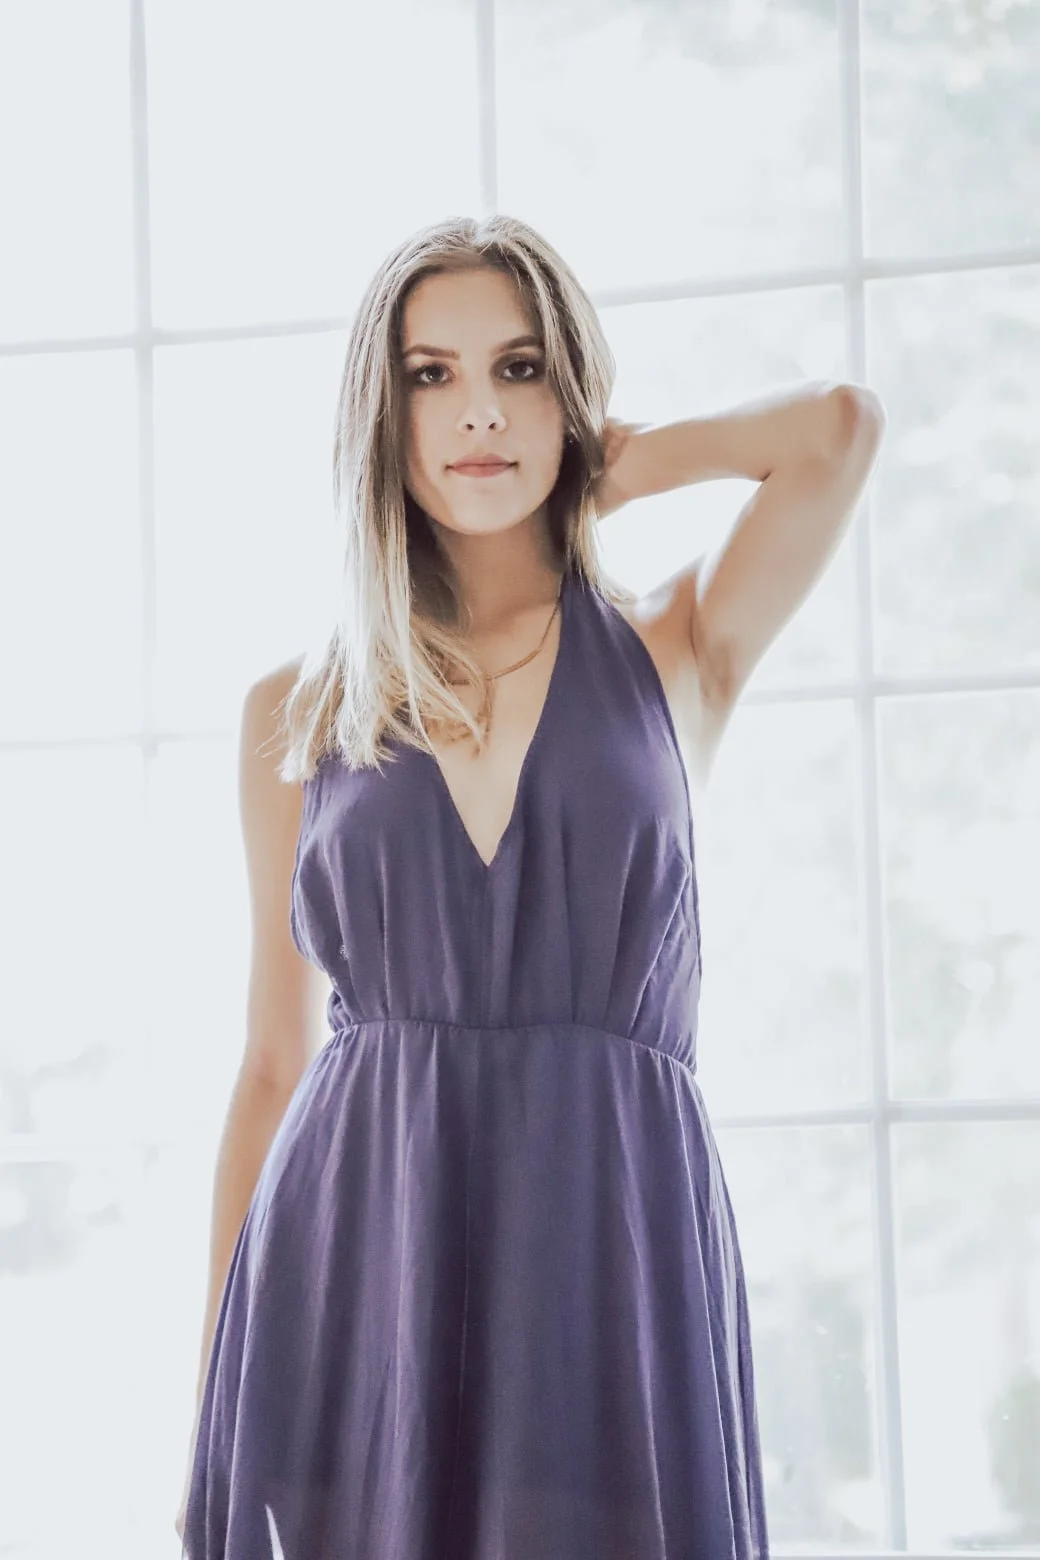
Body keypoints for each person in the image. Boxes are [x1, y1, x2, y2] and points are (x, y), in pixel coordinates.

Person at [176, 214, 884, 1558]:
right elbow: (271, 1062)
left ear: (573, 390)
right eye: (430, 376)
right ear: (382, 416)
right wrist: (215, 1403)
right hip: (365, 1249)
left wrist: (616, 466)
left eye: (518, 369)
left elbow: (839, 428)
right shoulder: (300, 705)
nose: (477, 413)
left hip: (612, 1242)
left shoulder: (677, 647)